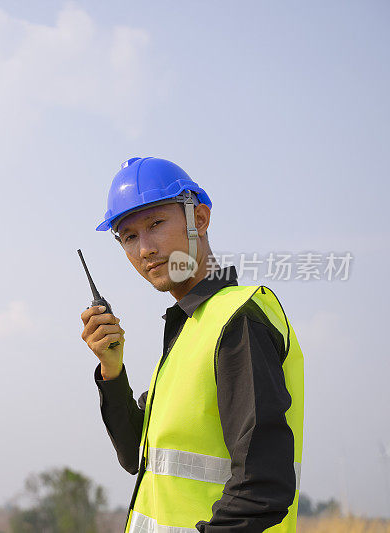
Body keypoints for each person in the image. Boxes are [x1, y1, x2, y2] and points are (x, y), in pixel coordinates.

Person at [80, 157, 304, 532]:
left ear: (199, 218)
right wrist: (112, 370)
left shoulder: (237, 319)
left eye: (155, 224)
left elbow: (262, 486)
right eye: (129, 237)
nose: (145, 249)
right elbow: (137, 455)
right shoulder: (190, 329)